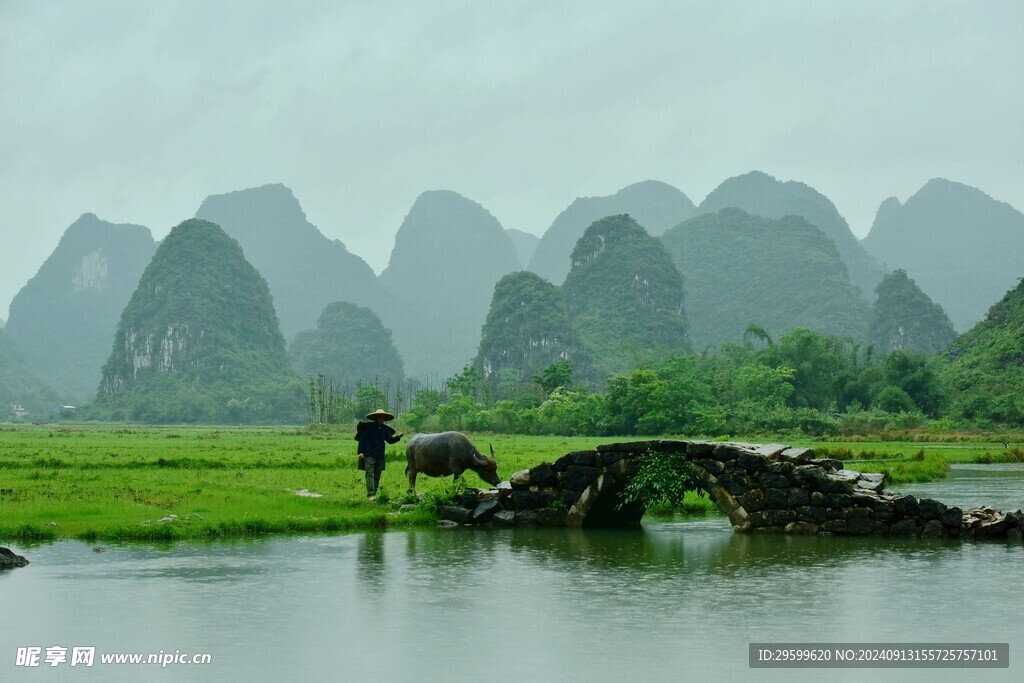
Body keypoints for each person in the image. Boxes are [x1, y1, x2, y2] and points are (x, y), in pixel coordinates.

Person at [355, 408, 403, 498]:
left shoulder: (385, 429)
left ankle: (375, 494)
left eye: (383, 418)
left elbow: (390, 440)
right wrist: (361, 452)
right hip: (369, 455)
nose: (382, 419)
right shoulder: (368, 428)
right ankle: (371, 494)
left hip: (380, 456)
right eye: (380, 417)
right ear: (376, 418)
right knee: (369, 475)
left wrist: (398, 437)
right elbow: (362, 440)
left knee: (377, 476)